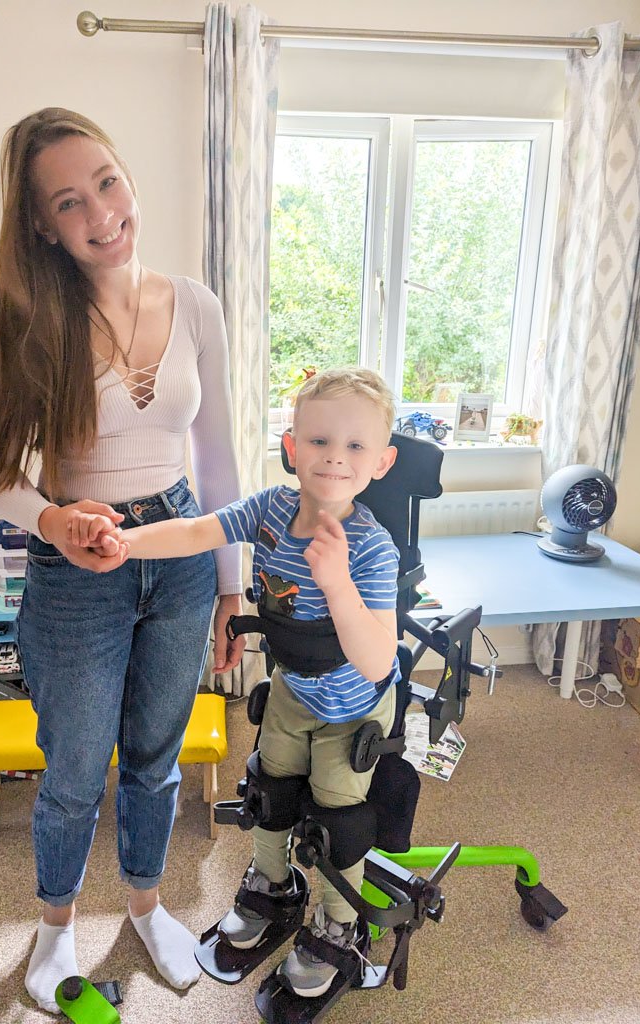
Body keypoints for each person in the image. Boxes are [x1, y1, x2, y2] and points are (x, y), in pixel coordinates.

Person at [0, 107, 245, 1013]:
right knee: (75, 770)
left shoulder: (194, 303)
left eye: (107, 182)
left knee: (155, 756)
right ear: (41, 222)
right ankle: (53, 931)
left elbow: (221, 455)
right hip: (80, 569)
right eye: (69, 202)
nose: (100, 213)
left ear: (128, 177)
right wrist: (51, 521)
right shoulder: (29, 313)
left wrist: (233, 585)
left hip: (184, 551)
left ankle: (149, 907)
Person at [84, 366, 401, 999]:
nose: (335, 458)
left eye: (355, 447)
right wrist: (126, 541)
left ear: (382, 463)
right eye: (318, 441)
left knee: (339, 820)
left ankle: (340, 927)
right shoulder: (270, 510)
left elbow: (376, 659)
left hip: (351, 706)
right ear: (291, 445)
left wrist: (337, 583)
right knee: (268, 788)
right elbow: (200, 530)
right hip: (290, 692)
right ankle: (270, 883)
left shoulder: (371, 549)